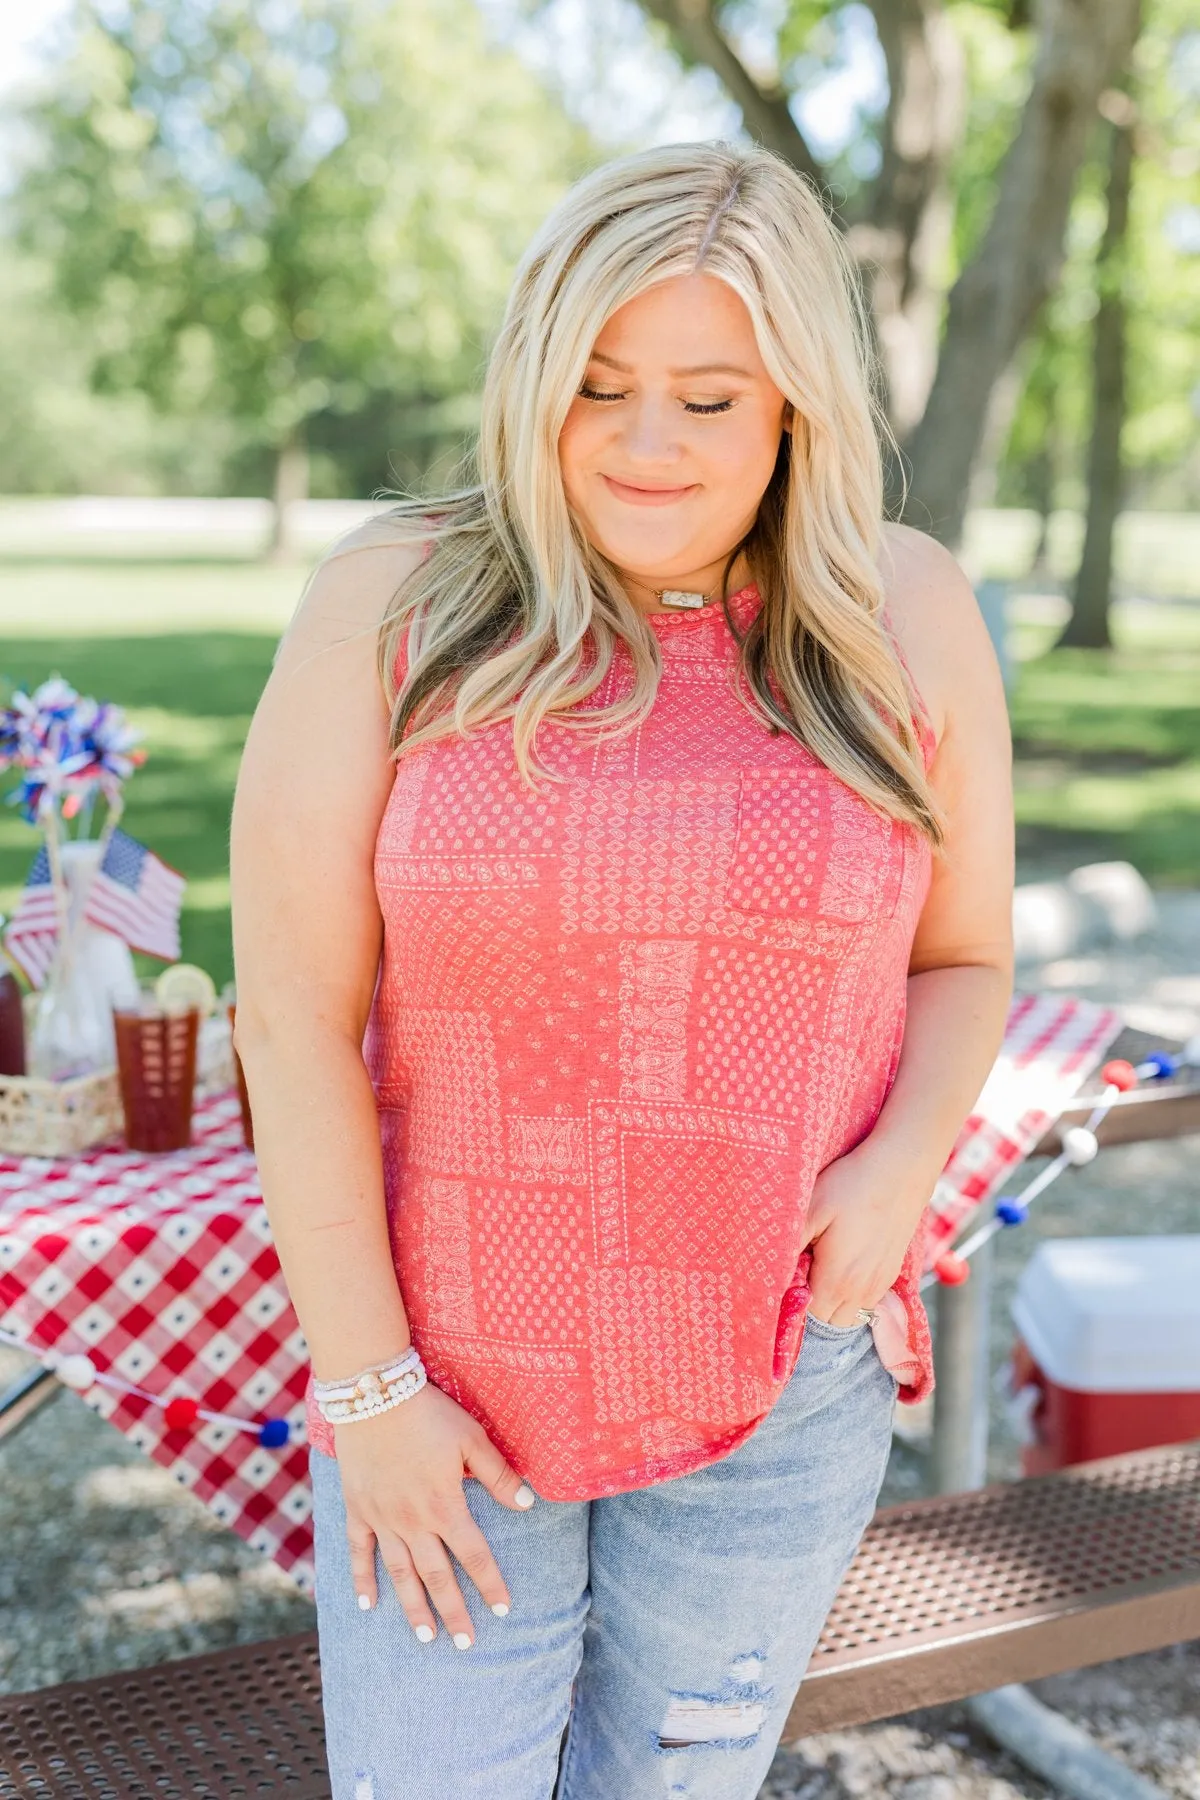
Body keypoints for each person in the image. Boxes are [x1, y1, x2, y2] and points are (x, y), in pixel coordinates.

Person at [230, 140, 1013, 1800]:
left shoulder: (906, 609)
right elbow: (290, 1018)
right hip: (449, 1380)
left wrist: (898, 1169)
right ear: (533, 379)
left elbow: (965, 956)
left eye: (709, 398)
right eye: (598, 386)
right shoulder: (398, 599)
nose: (647, 444)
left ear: (798, 400)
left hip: (776, 1374)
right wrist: (368, 1392)